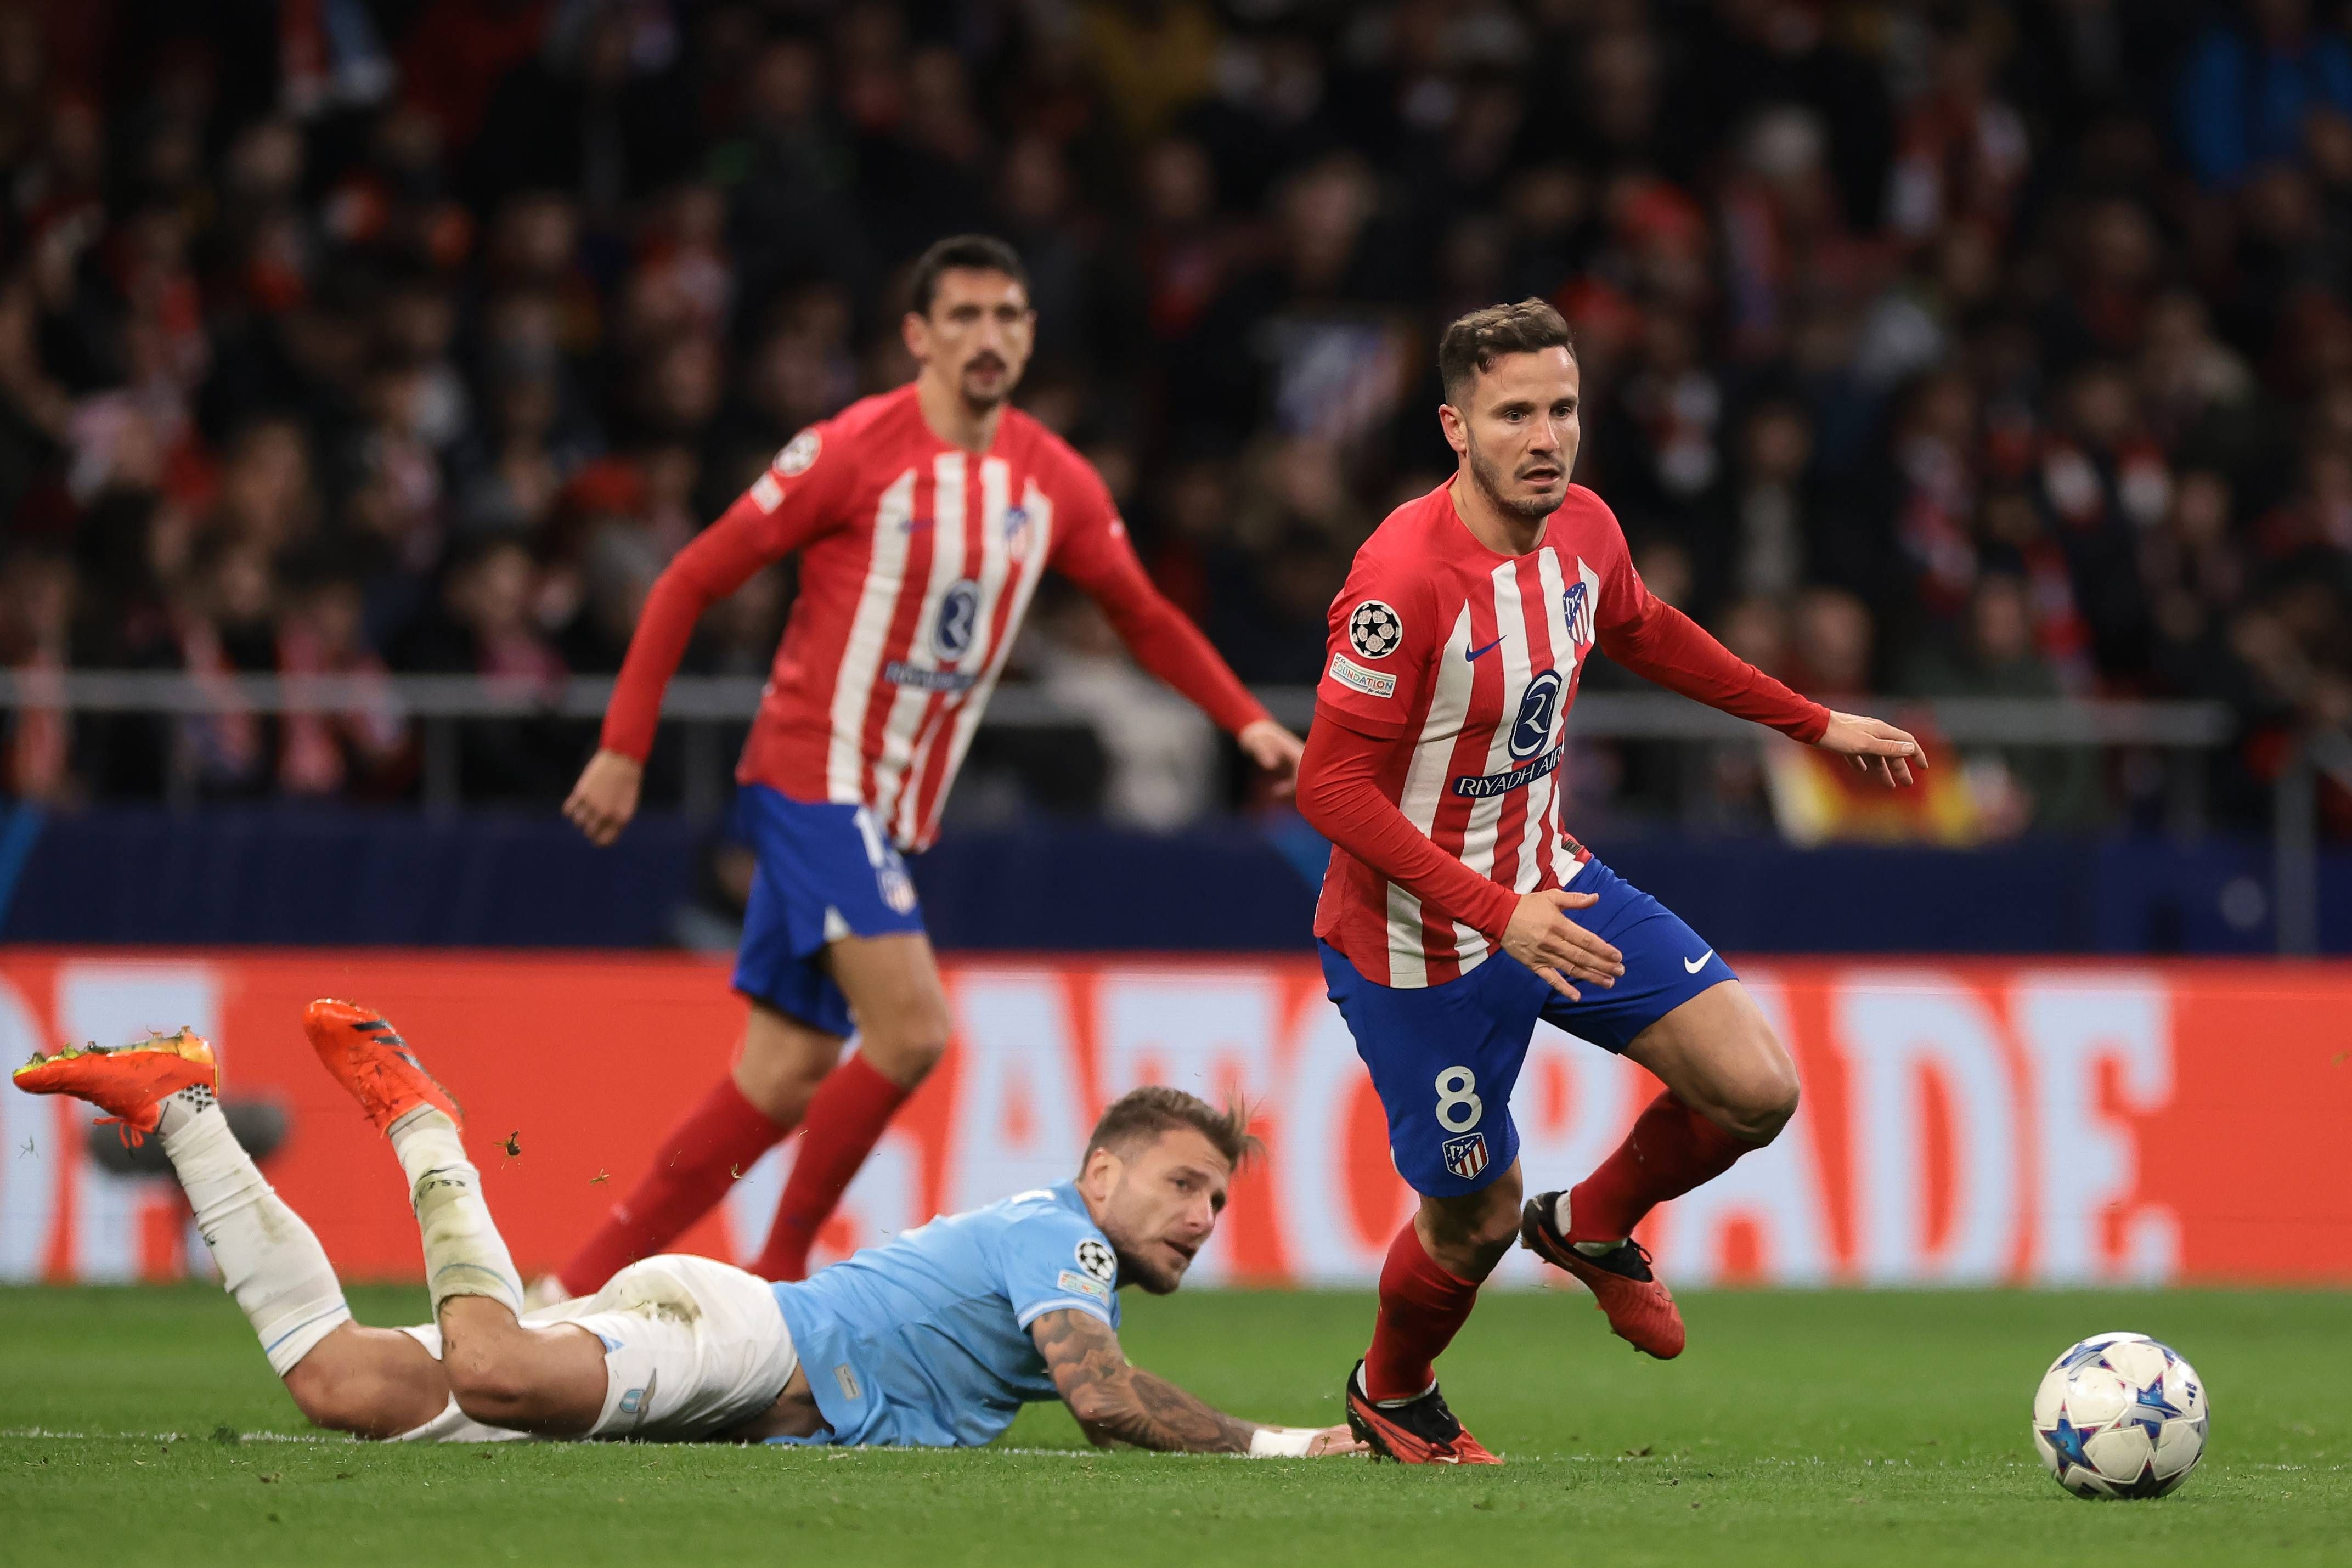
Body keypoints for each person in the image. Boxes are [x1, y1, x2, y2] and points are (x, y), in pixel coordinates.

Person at [552, 234, 1304, 1295]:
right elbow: (685, 579)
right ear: (917, 335)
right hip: (816, 774)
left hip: (894, 810)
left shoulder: (1053, 480)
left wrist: (1244, 721)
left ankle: (574, 1283)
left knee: (783, 1071)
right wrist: (623, 751)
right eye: (963, 317)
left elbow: (1141, 614)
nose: (988, 337)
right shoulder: (853, 450)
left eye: (1008, 316)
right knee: (912, 1030)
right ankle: (782, 1272)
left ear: (1032, 334)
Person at [1296, 300, 1924, 1464]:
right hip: (1417, 940)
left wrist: (1809, 721)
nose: (1545, 437)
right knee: (1472, 1221)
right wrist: (1496, 915)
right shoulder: (1401, 581)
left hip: (1549, 881)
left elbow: (1642, 627)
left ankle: (1590, 1225)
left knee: (1753, 1086)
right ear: (1454, 428)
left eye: (1562, 408)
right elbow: (1328, 790)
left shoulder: (1582, 526)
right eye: (1513, 414)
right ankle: (1392, 1392)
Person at [10, 1004, 1361, 1456]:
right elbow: (1105, 1403)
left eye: (1220, 1202)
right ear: (1101, 1172)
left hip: (723, 1368)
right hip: (738, 1343)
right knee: (492, 1367)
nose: (1200, 1216)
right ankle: (426, 1121)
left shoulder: (1054, 1241)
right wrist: (1303, 1445)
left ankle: (181, 1107)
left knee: (340, 1385)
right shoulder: (1062, 1238)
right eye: (1182, 1184)